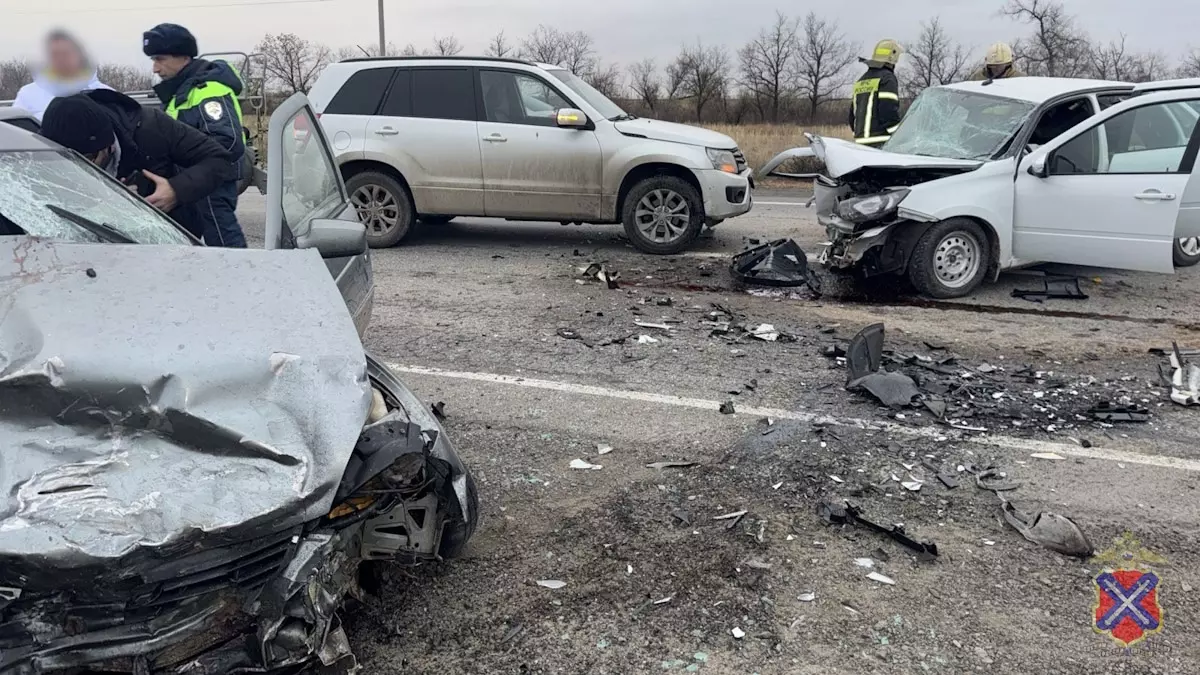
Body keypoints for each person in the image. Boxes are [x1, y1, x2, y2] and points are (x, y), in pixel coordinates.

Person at [40, 90, 233, 240]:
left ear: (109, 147)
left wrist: (176, 191)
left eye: (88, 159)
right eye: (68, 163)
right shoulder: (44, 156)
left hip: (169, 243)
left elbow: (219, 159)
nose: (79, 169)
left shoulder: (151, 127)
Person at [142, 23, 247, 248]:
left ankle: (240, 281)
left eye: (160, 59)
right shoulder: (182, 93)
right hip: (190, 184)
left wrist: (187, 179)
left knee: (226, 248)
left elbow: (227, 143)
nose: (155, 69)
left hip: (210, 186)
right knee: (180, 246)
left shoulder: (208, 91)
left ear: (183, 57)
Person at [13, 30, 111, 121]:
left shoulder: (105, 93)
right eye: (55, 54)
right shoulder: (28, 94)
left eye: (66, 54)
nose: (60, 59)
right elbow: (15, 130)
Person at [848, 40, 903, 148]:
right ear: (892, 58)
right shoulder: (887, 78)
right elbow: (888, 111)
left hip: (860, 145)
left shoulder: (861, 80)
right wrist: (900, 135)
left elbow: (852, 116)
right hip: (882, 143)